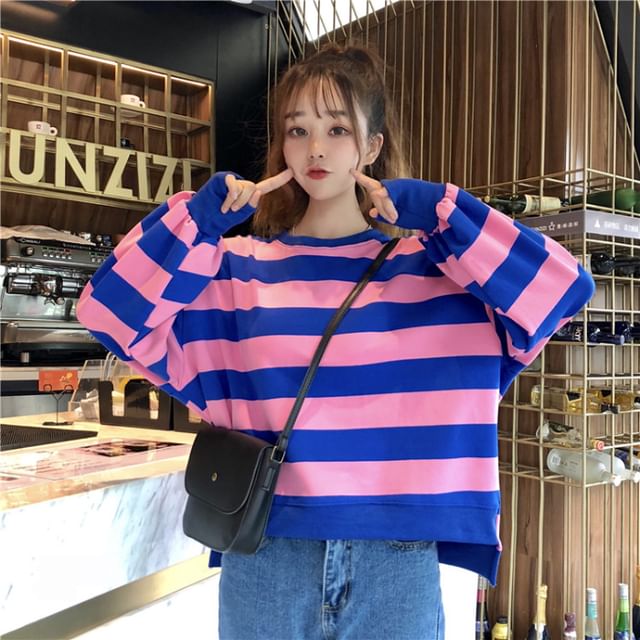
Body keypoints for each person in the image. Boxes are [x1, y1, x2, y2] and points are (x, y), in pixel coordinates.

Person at [77, 44, 595, 640]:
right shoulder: (233, 271)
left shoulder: (435, 272)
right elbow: (106, 312)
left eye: (337, 129)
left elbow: (563, 289)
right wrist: (198, 220)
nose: (316, 149)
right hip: (267, 554)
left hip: (396, 559)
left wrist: (443, 212)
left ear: (371, 147)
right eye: (298, 130)